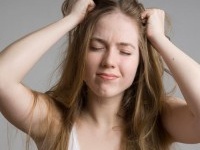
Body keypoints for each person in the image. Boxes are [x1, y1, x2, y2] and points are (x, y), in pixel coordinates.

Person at [0, 0, 200, 149]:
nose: (109, 61)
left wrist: (159, 39)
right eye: (96, 47)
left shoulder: (159, 119)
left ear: (141, 61)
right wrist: (71, 21)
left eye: (125, 51)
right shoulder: (55, 122)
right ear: (80, 53)